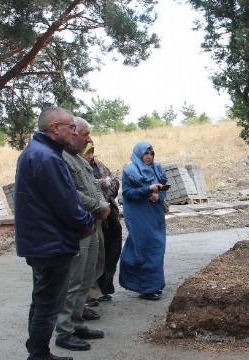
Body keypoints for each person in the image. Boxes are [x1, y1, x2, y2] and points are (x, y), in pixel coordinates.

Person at [15, 106, 95, 360]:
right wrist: (84, 224)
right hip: (49, 242)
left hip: (40, 241)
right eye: (71, 126)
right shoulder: (47, 158)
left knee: (41, 300)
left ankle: (37, 350)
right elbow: (65, 201)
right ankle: (38, 354)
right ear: (55, 128)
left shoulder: (37, 153)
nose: (75, 131)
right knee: (48, 304)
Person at [54, 117, 110, 352]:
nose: (88, 139)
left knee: (86, 278)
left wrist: (102, 205)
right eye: (85, 134)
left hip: (92, 224)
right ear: (73, 133)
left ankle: (77, 323)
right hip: (78, 227)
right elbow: (71, 194)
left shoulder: (77, 158)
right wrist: (99, 207)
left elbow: (94, 187)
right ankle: (64, 331)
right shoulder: (61, 160)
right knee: (74, 281)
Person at [119, 141, 168, 301]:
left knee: (157, 247)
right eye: (146, 154)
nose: (149, 157)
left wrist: (158, 196)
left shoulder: (157, 168)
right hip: (138, 214)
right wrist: (147, 190)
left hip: (155, 213)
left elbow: (164, 189)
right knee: (145, 248)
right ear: (139, 154)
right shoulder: (130, 170)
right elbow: (127, 193)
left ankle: (153, 285)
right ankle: (147, 288)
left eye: (151, 154)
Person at [82, 143, 122, 305]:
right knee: (97, 252)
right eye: (88, 152)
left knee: (113, 249)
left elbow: (114, 181)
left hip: (109, 210)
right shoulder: (79, 168)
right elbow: (88, 187)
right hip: (94, 213)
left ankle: (105, 287)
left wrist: (109, 188)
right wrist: (103, 184)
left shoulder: (99, 165)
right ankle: (90, 293)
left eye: (92, 152)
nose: (91, 155)